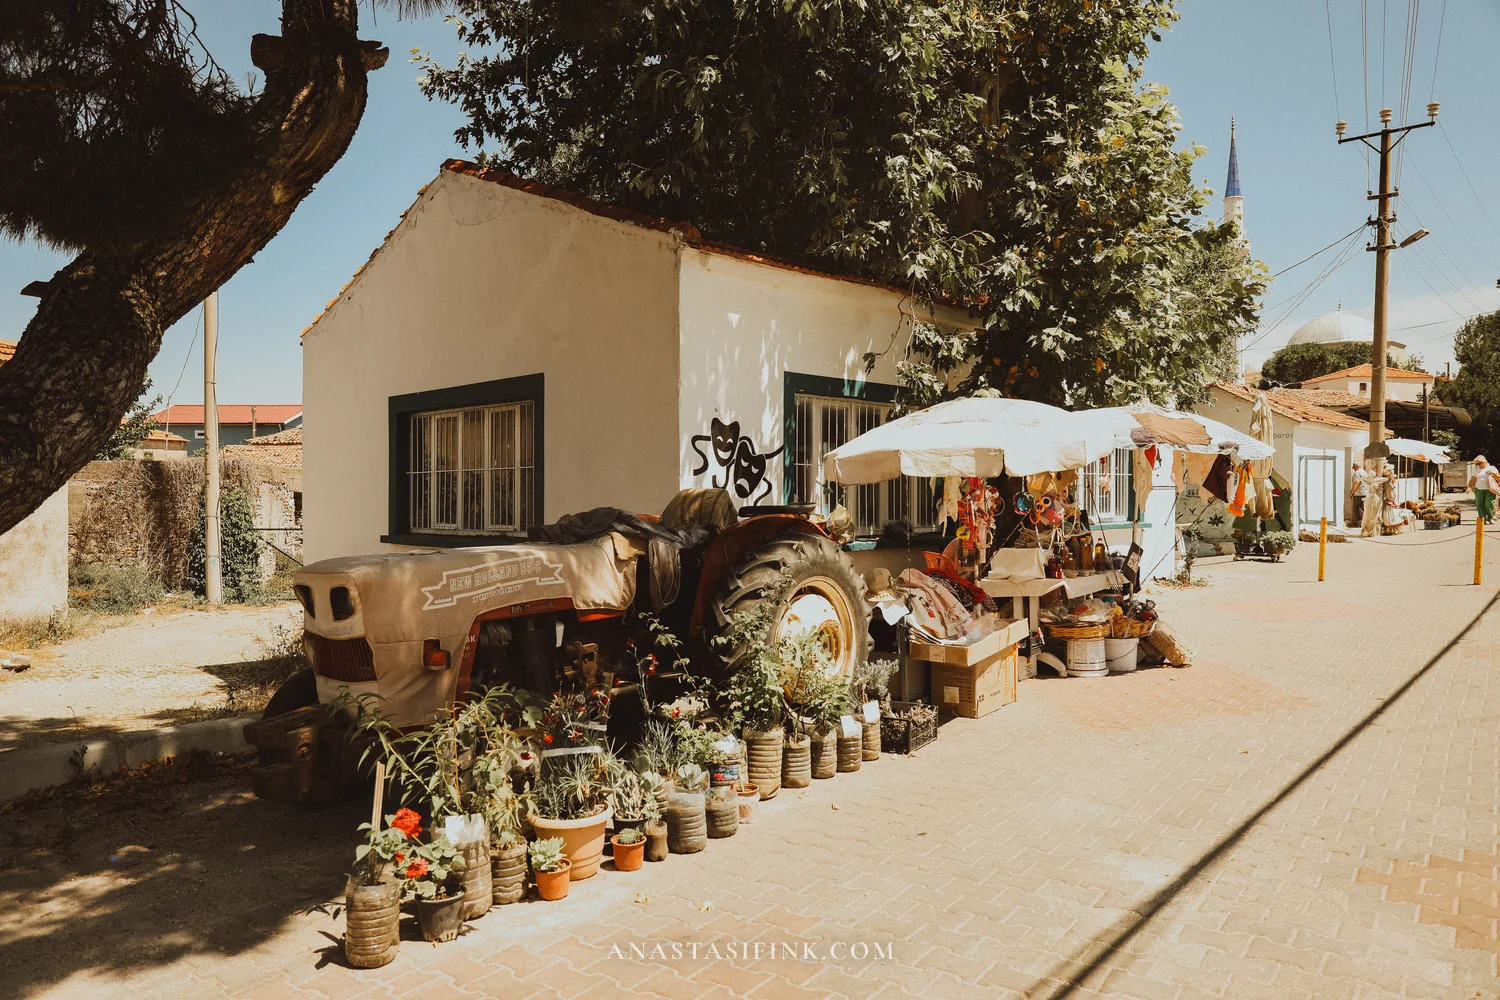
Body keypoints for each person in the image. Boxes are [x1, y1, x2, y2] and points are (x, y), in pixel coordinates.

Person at [1470, 456, 1500, 524]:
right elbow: (1473, 479)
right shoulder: (1476, 470)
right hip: (1479, 489)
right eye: (1477, 464)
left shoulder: (1492, 468)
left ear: (1485, 462)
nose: (1478, 465)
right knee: (1480, 504)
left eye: (1480, 463)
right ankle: (1482, 519)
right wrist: (1469, 487)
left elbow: (1499, 478)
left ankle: (1490, 517)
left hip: (1490, 489)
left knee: (1488, 503)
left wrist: (1493, 473)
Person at [1349, 462, 1371, 527]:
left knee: (1358, 508)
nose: (1354, 469)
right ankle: (1364, 522)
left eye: (1354, 468)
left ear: (1356, 467)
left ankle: (1361, 523)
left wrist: (1352, 492)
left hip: (1359, 493)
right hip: (1365, 492)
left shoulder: (1357, 473)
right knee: (1363, 507)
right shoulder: (1365, 473)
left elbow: (1357, 483)